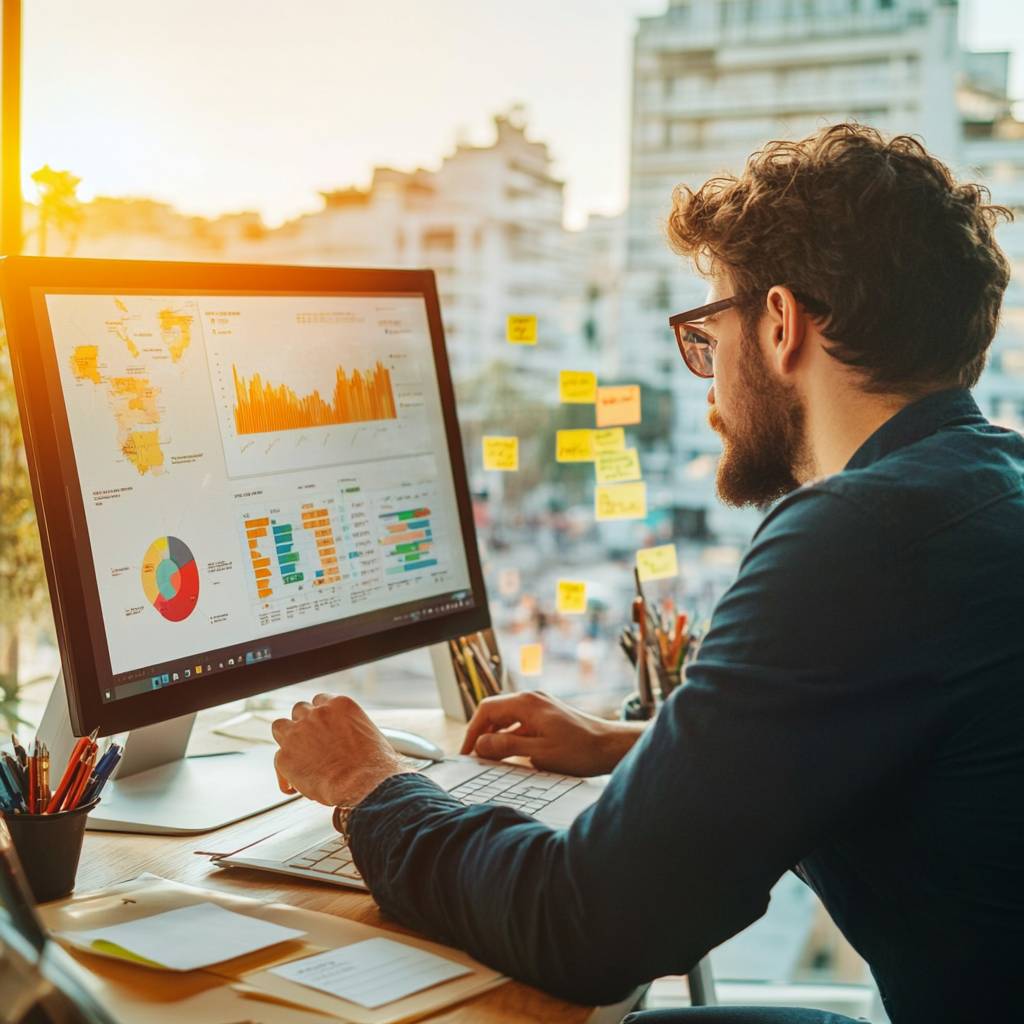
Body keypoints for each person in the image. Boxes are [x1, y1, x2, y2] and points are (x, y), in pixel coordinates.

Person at [272, 124, 1024, 1024]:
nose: (705, 381)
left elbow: (586, 926)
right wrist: (634, 748)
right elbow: (878, 748)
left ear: (779, 324)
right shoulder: (985, 492)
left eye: (707, 332)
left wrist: (370, 786)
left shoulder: (862, 534)